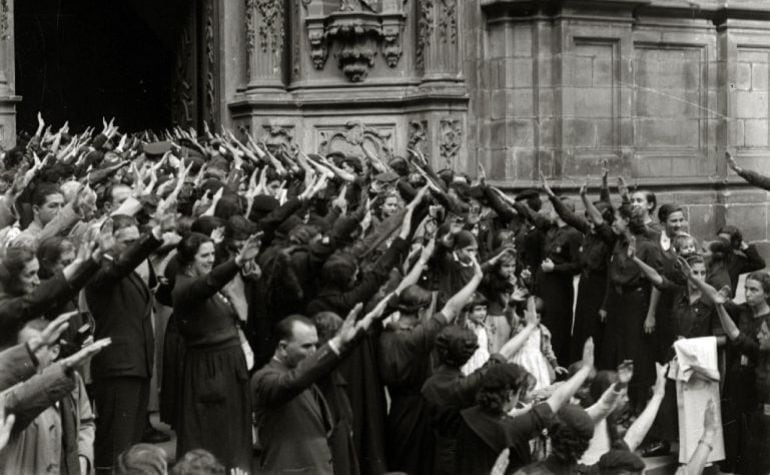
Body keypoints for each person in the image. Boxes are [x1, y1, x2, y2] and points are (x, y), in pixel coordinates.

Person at [85, 204, 177, 473]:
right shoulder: (99, 269)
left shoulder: (123, 269)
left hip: (135, 364)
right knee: (118, 447)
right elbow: (120, 268)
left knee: (131, 447)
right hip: (118, 367)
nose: (132, 246)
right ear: (107, 240)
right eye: (127, 241)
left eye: (136, 240)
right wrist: (153, 236)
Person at [251, 303, 384, 474]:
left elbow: (323, 363)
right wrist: (335, 343)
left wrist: (361, 327)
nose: (314, 351)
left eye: (315, 345)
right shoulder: (265, 379)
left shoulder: (303, 374)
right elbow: (292, 382)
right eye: (306, 346)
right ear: (283, 347)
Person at [172, 231, 262, 471]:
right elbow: (210, 282)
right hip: (210, 371)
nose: (211, 259)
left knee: (232, 433)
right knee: (215, 435)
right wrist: (237, 261)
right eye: (204, 255)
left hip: (228, 367)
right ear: (190, 259)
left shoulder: (200, 281)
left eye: (213, 254)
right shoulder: (186, 287)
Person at [453, 338, 596, 475]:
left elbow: (498, 358)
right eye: (519, 392)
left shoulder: (468, 415)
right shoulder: (509, 430)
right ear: (510, 395)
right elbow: (557, 399)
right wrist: (585, 369)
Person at [0, 318, 96, 475]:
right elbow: (18, 402)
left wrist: (84, 457)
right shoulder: (14, 388)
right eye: (24, 348)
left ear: (54, 351)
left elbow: (85, 423)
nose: (28, 356)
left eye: (36, 348)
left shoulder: (73, 380)